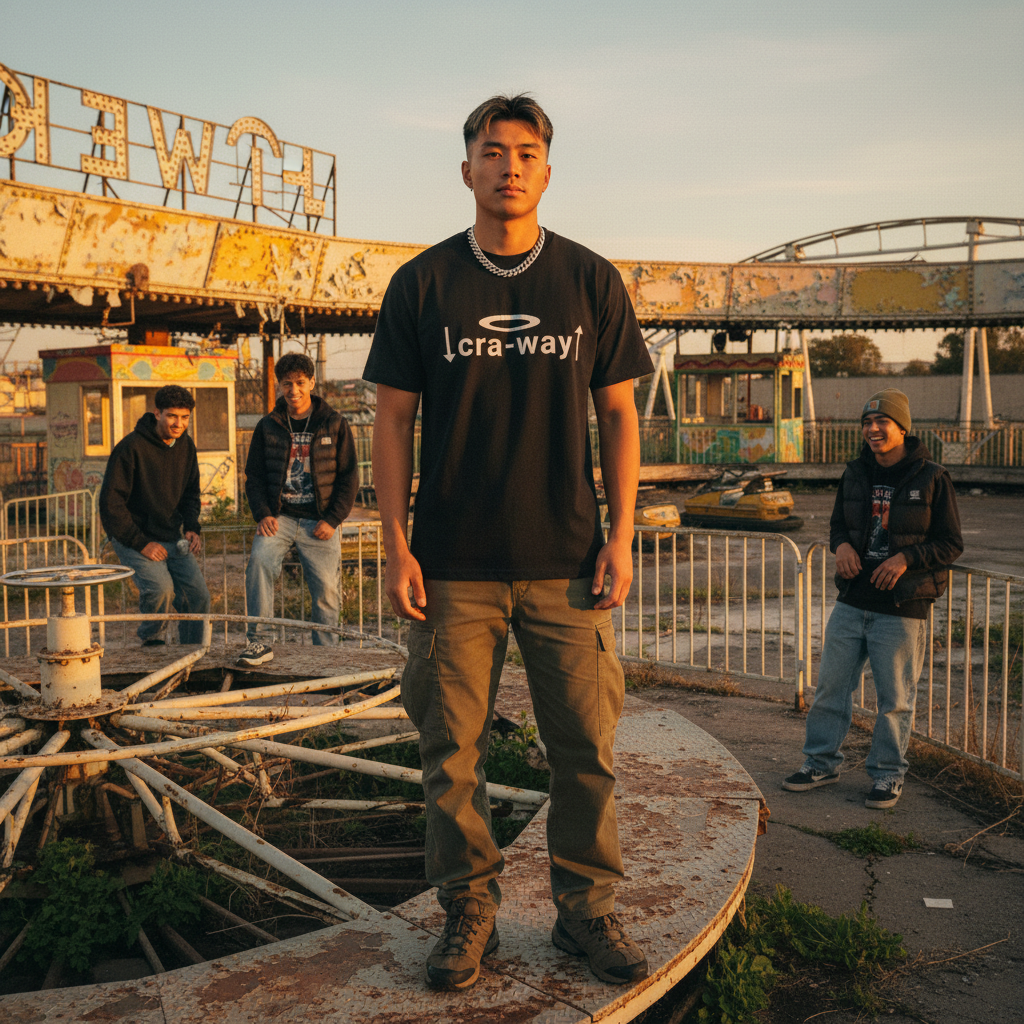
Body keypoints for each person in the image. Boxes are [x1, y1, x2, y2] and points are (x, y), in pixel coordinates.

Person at [363, 94, 654, 992]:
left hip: (568, 562)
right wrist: (397, 544)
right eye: (493, 152)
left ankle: (585, 913)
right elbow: (392, 420)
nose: (510, 166)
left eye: (527, 152)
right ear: (467, 170)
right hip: (452, 566)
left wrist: (622, 534)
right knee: (451, 755)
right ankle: (468, 911)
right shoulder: (422, 284)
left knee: (587, 750)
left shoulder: (590, 280)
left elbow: (618, 414)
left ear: (546, 171)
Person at [783, 388, 963, 809]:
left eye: (881, 422)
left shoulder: (932, 477)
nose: (872, 429)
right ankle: (820, 763)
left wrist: (906, 558)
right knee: (829, 689)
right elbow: (837, 525)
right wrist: (841, 546)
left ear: (902, 428)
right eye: (866, 423)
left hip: (901, 608)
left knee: (894, 701)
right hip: (852, 602)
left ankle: (887, 775)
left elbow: (950, 543)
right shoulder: (855, 473)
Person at [238, 352, 358, 665]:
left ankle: (326, 655)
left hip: (319, 520)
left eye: (300, 383)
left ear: (312, 383)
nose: (294, 390)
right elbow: (254, 477)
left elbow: (349, 477)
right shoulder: (268, 426)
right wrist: (263, 512)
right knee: (259, 565)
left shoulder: (334, 423)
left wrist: (332, 519)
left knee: (326, 589)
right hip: (281, 516)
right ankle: (259, 643)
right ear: (279, 386)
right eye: (287, 384)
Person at [100, 384, 211, 645]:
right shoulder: (131, 448)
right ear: (157, 412)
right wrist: (141, 543)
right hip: (133, 535)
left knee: (198, 596)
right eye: (172, 416)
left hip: (171, 535)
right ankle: (153, 644)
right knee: (161, 589)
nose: (179, 423)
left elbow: (191, 493)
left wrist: (192, 526)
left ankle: (192, 654)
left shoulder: (186, 446)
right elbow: (111, 503)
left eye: (185, 417)